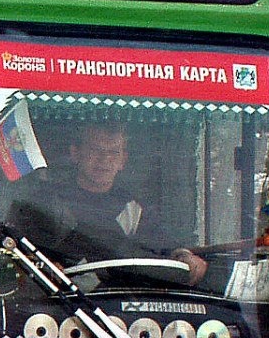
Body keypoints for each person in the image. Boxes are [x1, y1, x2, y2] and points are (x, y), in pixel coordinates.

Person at [13, 120, 208, 286]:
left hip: (120, 307)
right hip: (65, 307)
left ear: (123, 160)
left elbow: (162, 244)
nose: (104, 160)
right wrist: (48, 267)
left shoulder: (133, 207)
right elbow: (22, 256)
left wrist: (185, 256)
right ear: (76, 154)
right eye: (95, 150)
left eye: (113, 153)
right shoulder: (47, 201)